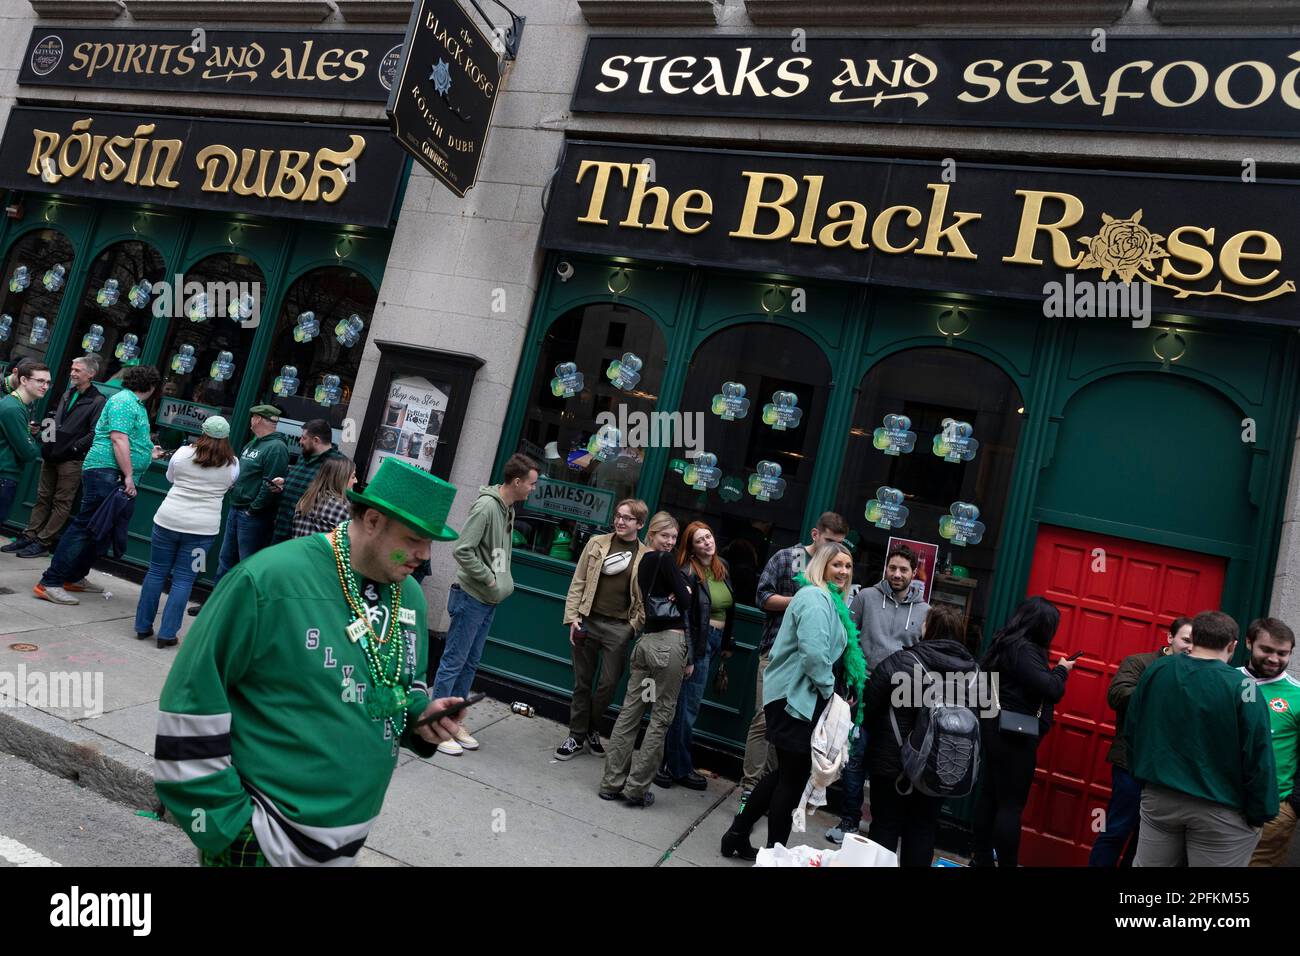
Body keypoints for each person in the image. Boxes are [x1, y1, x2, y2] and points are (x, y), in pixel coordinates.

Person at [154, 457, 468, 866]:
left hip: (347, 844)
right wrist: (226, 830)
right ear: (372, 520)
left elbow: (400, 685)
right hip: (264, 842)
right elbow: (190, 701)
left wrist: (421, 719)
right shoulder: (268, 579)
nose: (423, 556)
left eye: (430, 543)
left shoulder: (408, 596)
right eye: (413, 539)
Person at [721, 542, 862, 859]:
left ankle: (738, 835)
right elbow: (814, 656)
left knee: (788, 774)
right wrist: (830, 694)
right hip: (795, 699)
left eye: (848, 566)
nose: (843, 571)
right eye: (836, 564)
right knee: (792, 778)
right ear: (822, 565)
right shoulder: (814, 597)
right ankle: (774, 853)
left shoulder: (830, 600)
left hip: (800, 698)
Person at [1128, 611, 1277, 867]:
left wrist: (1141, 777)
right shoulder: (1246, 687)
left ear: (1193, 637)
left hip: (1160, 797)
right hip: (1221, 807)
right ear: (1233, 645)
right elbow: (1257, 753)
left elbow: (1133, 728)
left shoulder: (1158, 670)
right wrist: (1261, 812)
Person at [431, 452, 539, 755]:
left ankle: (453, 719)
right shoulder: (486, 507)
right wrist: (489, 579)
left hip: (488, 600)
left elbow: (498, 553)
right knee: (453, 662)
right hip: (471, 596)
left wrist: (500, 581)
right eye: (531, 483)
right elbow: (462, 549)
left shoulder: (508, 509)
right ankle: (436, 725)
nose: (533, 489)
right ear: (517, 482)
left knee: (469, 662)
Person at [739, 511, 849, 802]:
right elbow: (762, 597)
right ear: (815, 535)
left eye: (839, 544)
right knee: (764, 719)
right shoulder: (788, 558)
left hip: (810, 667)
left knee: (790, 730)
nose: (834, 550)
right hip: (779, 654)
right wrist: (803, 599)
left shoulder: (836, 570)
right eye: (829, 541)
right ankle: (751, 786)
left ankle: (771, 788)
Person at [34, 365, 162, 606]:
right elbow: (117, 438)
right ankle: (50, 582)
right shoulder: (124, 401)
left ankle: (73, 576)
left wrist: (147, 452)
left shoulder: (133, 404)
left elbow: (127, 439)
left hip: (111, 473)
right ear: (152, 387)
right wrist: (128, 476)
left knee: (99, 530)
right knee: (86, 527)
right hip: (107, 472)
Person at [828, 543, 931, 843]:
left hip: (900, 698)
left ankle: (881, 829)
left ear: (914, 574)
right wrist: (848, 681)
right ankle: (849, 821)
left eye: (903, 570)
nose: (897, 574)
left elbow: (924, 655)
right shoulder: (866, 597)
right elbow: (847, 638)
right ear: (886, 569)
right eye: (893, 568)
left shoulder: (925, 610)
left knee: (889, 764)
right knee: (855, 758)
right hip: (862, 690)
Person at [863, 602, 977, 866]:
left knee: (885, 827)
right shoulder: (975, 673)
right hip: (941, 767)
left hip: (893, 764)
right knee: (923, 830)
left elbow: (870, 703)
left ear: (929, 628)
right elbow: (984, 718)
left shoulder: (902, 661)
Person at [599, 511, 694, 807]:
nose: (670, 542)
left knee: (631, 713)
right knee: (660, 718)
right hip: (668, 646)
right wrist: (685, 588)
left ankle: (611, 782)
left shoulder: (643, 562)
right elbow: (687, 600)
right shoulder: (665, 561)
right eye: (665, 535)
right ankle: (636, 789)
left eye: (674, 538)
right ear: (651, 534)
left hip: (646, 645)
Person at [971, 596, 1074, 867]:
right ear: (1042, 626)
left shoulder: (1004, 642)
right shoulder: (1023, 649)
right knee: (1010, 805)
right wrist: (1062, 670)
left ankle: (981, 858)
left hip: (995, 727)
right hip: (1014, 734)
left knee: (991, 796)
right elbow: (1051, 689)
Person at [1088, 616, 1193, 867]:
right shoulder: (1140, 663)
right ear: (1170, 638)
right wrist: (1162, 687)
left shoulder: (1197, 674)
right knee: (1116, 829)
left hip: (1168, 772)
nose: (1190, 647)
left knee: (1146, 839)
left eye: (1196, 643)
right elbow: (1117, 696)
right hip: (1131, 764)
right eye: (1186, 640)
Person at [555, 498, 649, 761]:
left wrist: (632, 628)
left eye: (627, 518)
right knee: (582, 683)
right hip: (588, 620)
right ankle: (576, 735)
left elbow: (645, 599)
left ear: (639, 524)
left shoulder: (647, 556)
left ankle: (591, 728)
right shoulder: (597, 543)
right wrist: (572, 617)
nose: (620, 521)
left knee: (608, 685)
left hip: (619, 628)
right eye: (618, 516)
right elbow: (579, 580)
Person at [133, 416, 239, 648]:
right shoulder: (232, 464)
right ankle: (167, 634)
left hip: (168, 521)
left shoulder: (182, 454)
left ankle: (142, 626)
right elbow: (230, 486)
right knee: (185, 579)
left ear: (202, 432)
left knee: (156, 572)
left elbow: (171, 477)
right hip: (203, 531)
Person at [658, 520, 735, 790]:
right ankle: (676, 766)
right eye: (700, 539)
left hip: (715, 642)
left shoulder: (721, 567)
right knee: (687, 706)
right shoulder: (687, 570)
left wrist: (727, 644)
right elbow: (686, 617)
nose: (707, 542)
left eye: (709, 536)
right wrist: (690, 656)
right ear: (690, 546)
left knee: (688, 704)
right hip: (698, 643)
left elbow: (729, 609)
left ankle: (670, 763)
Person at [5, 356, 105, 558]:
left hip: (72, 460)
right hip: (52, 455)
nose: (72, 373)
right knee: (43, 497)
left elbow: (95, 432)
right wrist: (45, 439)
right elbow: (53, 418)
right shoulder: (67, 393)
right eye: (72, 369)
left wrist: (74, 449)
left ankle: (43, 542)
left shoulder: (98, 400)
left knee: (61, 502)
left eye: (77, 370)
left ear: (91, 374)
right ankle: (29, 536)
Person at [205, 404, 290, 592]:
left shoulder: (276, 447)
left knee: (247, 564)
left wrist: (253, 509)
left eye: (253, 417)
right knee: (225, 560)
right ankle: (215, 606)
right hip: (237, 508)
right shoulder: (253, 443)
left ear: (258, 419)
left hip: (252, 515)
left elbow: (271, 484)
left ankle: (239, 611)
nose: (250, 421)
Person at [1241, 618, 1299, 867]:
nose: (1274, 658)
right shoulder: (1227, 681)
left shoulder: (1297, 695)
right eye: (1266, 650)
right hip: (1218, 805)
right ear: (1248, 643)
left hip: (1272, 811)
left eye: (1282, 653)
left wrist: (1293, 805)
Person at [270, 418, 345, 545]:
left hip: (304, 536)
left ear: (316, 440)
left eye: (304, 438)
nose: (300, 441)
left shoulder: (337, 464)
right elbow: (301, 482)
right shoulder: (304, 456)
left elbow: (336, 500)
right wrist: (285, 483)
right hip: (282, 528)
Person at [0, 361, 48, 526]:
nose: (45, 386)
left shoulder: (20, 406)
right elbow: (29, 452)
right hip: (3, 476)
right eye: (40, 381)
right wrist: (31, 439)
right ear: (24, 380)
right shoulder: (12, 408)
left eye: (48, 382)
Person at [291, 456, 357, 538]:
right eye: (353, 477)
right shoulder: (343, 508)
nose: (356, 481)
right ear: (341, 478)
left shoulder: (306, 499)